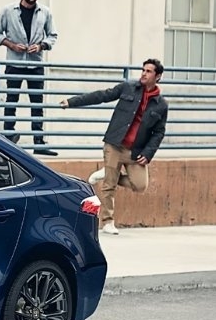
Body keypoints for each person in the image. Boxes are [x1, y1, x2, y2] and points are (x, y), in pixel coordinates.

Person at [60, 59, 169, 235]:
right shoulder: (128, 88)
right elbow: (102, 95)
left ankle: (108, 173)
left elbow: (159, 132)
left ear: (158, 76)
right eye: (143, 70)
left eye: (148, 71)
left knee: (140, 185)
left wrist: (148, 153)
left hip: (136, 151)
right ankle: (107, 222)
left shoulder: (161, 105)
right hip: (115, 144)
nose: (143, 73)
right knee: (109, 186)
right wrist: (72, 102)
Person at [0, 0, 59, 156]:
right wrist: (12, 45)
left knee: (37, 103)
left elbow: (53, 35)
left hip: (36, 63)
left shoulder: (45, 12)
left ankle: (39, 142)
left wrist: (41, 45)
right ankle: (7, 139)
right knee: (11, 101)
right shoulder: (8, 10)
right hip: (14, 63)